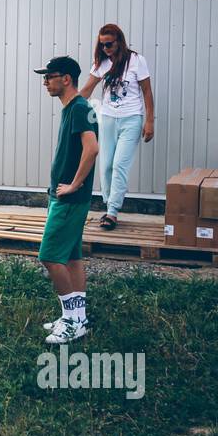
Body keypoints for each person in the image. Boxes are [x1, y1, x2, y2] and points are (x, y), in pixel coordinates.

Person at [34, 55, 99, 345]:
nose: (45, 81)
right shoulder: (73, 108)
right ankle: (78, 317)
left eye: (50, 76)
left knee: (49, 256)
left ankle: (72, 322)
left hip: (70, 199)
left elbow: (92, 149)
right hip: (64, 196)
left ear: (67, 79)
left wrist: (74, 184)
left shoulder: (80, 108)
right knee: (72, 257)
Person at [78, 24, 154, 230]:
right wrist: (70, 106)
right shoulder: (101, 63)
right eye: (102, 45)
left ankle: (112, 211)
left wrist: (149, 121)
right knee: (107, 165)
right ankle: (109, 202)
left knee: (120, 164)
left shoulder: (136, 61)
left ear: (119, 41)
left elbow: (146, 91)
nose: (106, 48)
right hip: (108, 119)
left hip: (131, 118)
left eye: (109, 44)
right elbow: (87, 89)